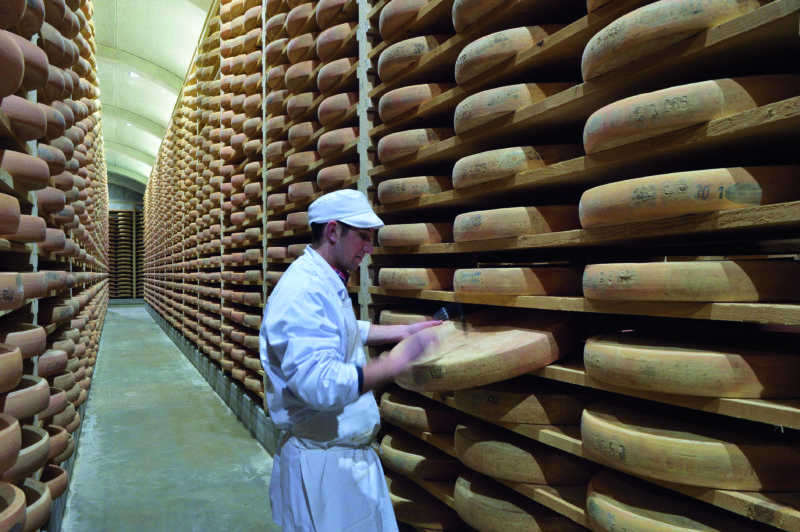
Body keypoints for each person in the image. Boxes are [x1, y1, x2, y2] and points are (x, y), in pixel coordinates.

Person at [259, 188, 441, 531]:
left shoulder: (322, 278)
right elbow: (320, 384)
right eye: (362, 237)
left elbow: (337, 328)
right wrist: (393, 365)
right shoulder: (303, 290)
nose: (369, 248)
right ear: (332, 231)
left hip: (342, 462)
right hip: (325, 473)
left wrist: (401, 332)